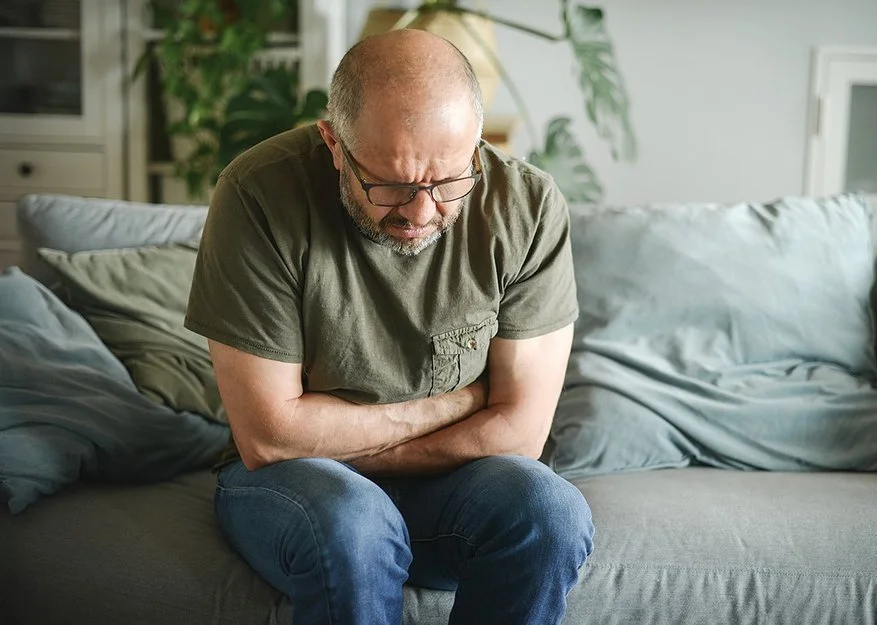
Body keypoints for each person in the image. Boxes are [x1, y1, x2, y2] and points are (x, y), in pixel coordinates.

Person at [184, 28, 594, 625]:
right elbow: (271, 438)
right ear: (333, 143)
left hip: (454, 493)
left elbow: (520, 435)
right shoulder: (257, 194)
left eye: (448, 180)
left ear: (477, 145)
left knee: (549, 511)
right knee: (354, 522)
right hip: (300, 489)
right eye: (392, 184)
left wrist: (332, 432)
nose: (422, 212)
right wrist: (454, 407)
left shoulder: (526, 206)